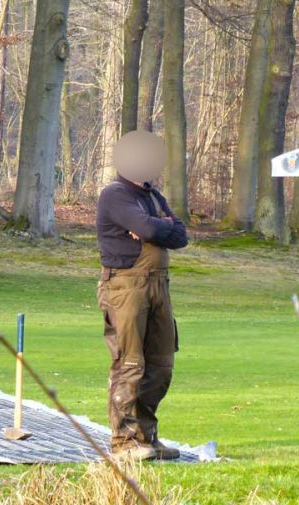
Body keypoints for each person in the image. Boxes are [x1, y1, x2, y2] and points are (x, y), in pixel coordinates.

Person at [96, 130, 188, 461]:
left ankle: (147, 435)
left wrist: (156, 225)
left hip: (160, 285)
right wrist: (156, 226)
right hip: (126, 286)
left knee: (161, 365)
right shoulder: (115, 195)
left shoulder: (153, 196)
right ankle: (123, 441)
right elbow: (154, 230)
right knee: (130, 363)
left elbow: (181, 235)